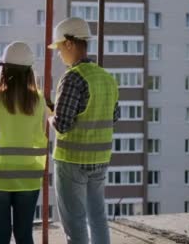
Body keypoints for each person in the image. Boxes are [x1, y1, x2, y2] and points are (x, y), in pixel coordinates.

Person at [46, 17, 119, 244]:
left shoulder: (72, 78)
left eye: (59, 48)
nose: (59, 54)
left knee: (75, 221)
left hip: (72, 161)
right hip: (100, 159)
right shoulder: (106, 78)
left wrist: (49, 116)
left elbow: (62, 124)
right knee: (97, 216)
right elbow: (113, 116)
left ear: (69, 43)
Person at [0, 41, 48, 244]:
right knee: (24, 235)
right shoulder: (39, 100)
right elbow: (41, 131)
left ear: (4, 69)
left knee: (1, 236)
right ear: (29, 72)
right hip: (28, 177)